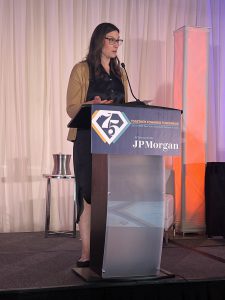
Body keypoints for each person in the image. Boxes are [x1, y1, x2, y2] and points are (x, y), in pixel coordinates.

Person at [66, 23, 128, 267]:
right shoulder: (82, 69)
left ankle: (113, 248)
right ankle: (87, 252)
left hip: (115, 141)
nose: (115, 45)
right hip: (87, 139)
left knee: (114, 195)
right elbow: (71, 107)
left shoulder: (119, 72)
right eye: (111, 39)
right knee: (89, 196)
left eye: (118, 41)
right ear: (99, 41)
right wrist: (89, 103)